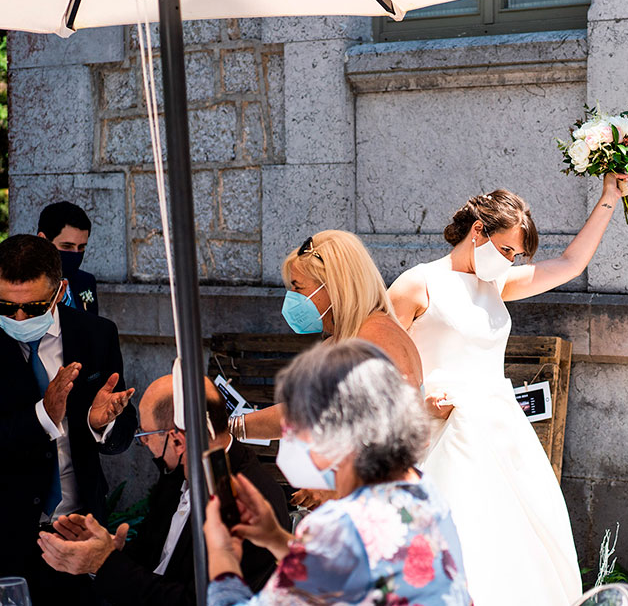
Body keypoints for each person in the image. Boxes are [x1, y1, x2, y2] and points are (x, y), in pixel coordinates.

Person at [388, 174, 627, 606]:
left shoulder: (495, 283)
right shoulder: (416, 284)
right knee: (461, 545)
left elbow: (571, 264)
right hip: (439, 432)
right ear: (478, 230)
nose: (511, 260)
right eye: (506, 250)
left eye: (517, 255)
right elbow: (372, 366)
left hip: (501, 429)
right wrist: (417, 400)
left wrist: (608, 198)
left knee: (523, 546)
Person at [203, 340, 471, 606]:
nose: (288, 435)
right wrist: (275, 537)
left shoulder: (337, 525)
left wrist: (222, 555)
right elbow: (342, 571)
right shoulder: (421, 489)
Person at [38, 375, 288, 605]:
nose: (144, 443)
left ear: (177, 440)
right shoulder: (178, 472)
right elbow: (155, 551)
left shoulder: (251, 504)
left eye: (146, 435)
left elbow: (194, 601)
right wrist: (108, 550)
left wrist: (104, 564)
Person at [0, 234, 136, 605]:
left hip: (79, 532)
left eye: (33, 306)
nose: (19, 317)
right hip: (6, 539)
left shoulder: (96, 334)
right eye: (6, 306)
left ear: (60, 291)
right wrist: (44, 415)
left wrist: (100, 424)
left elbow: (123, 432)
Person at [233, 230, 422, 438]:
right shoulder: (344, 340)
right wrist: (233, 427)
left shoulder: (378, 339)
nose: (292, 298)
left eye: (298, 288)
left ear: (333, 287)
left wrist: (233, 427)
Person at [38, 202, 99, 315]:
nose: (75, 253)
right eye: (67, 246)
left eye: (81, 247)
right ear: (43, 240)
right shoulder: (21, 283)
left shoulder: (85, 281)